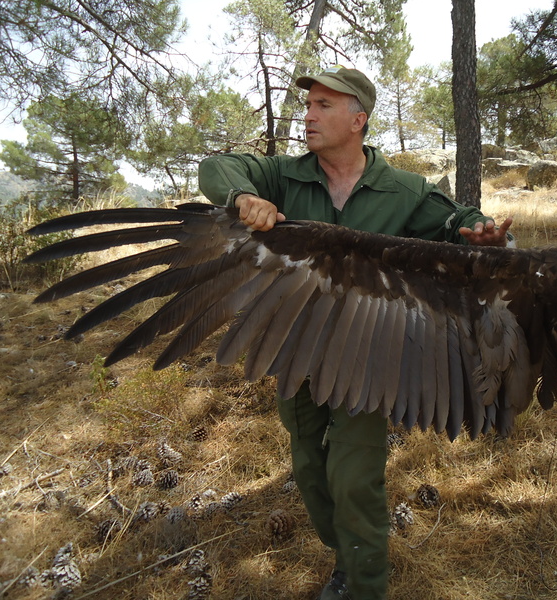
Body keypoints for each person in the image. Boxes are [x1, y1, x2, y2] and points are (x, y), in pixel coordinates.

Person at [198, 66, 511, 600]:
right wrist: (242, 197)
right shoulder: (283, 176)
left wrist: (477, 232)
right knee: (310, 468)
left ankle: (364, 583)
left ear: (357, 119)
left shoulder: (404, 190)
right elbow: (217, 166)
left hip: (369, 352)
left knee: (354, 473)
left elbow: (455, 219)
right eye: (308, 105)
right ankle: (345, 552)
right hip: (295, 347)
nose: (309, 115)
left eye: (323, 105)